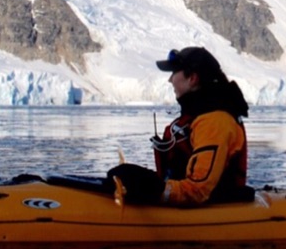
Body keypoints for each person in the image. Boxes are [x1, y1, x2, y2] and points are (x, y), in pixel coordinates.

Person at [107, 47, 252, 206]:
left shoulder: (215, 122)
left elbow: (198, 190)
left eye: (174, 72)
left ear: (193, 78)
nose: (170, 80)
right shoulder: (200, 116)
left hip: (212, 211)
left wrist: (153, 188)